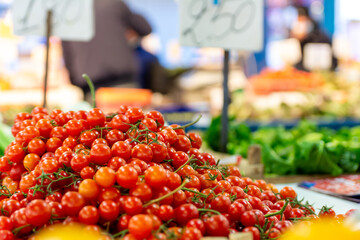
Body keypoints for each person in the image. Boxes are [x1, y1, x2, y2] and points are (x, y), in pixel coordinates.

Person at [62, 0, 152, 96]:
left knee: (95, 110)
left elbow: (68, 56)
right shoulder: (113, 3)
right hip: (122, 82)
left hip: (89, 86)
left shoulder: (69, 13)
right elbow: (145, 28)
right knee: (127, 111)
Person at [291, 7, 337, 71]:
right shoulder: (293, 40)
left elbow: (331, 61)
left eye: (302, 21)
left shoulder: (321, 37)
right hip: (302, 75)